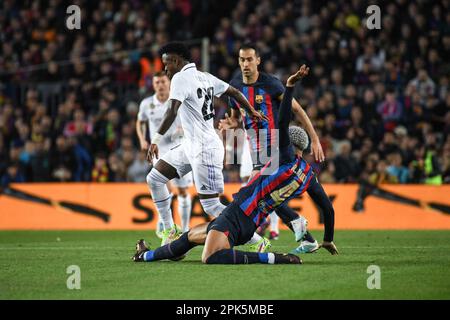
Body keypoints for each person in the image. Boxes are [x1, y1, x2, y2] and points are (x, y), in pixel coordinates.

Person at [133, 64, 338, 265]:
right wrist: (327, 238)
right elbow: (328, 209)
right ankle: (144, 256)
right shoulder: (308, 175)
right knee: (189, 238)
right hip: (248, 220)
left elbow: (283, 121)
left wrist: (290, 87)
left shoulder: (284, 158)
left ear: (288, 145)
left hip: (238, 214)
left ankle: (274, 257)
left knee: (210, 255)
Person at [146, 42, 267, 247]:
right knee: (155, 178)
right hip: (190, 146)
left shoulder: (180, 78)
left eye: (167, 64)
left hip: (204, 149)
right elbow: (235, 92)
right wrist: (251, 110)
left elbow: (172, 110)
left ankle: (257, 241)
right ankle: (170, 230)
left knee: (212, 206)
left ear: (176, 61)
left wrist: (155, 139)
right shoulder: (205, 76)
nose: (165, 69)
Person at [219, 43, 324, 252]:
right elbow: (234, 118)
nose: (245, 64)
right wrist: (230, 125)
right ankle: (302, 231)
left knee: (253, 193)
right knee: (263, 195)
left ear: (258, 60)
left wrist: (315, 138)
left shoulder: (271, 84)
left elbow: (297, 109)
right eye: (242, 60)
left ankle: (252, 238)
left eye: (250, 59)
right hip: (253, 145)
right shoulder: (234, 86)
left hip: (274, 143)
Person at [136, 71, 194, 241]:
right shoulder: (147, 104)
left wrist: (182, 130)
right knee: (164, 186)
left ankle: (184, 229)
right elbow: (140, 122)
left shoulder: (178, 101)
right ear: (153, 85)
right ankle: (166, 224)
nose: (160, 85)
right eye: (156, 82)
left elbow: (192, 121)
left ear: (168, 83)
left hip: (180, 149)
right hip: (159, 152)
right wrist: (142, 140)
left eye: (162, 81)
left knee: (183, 191)